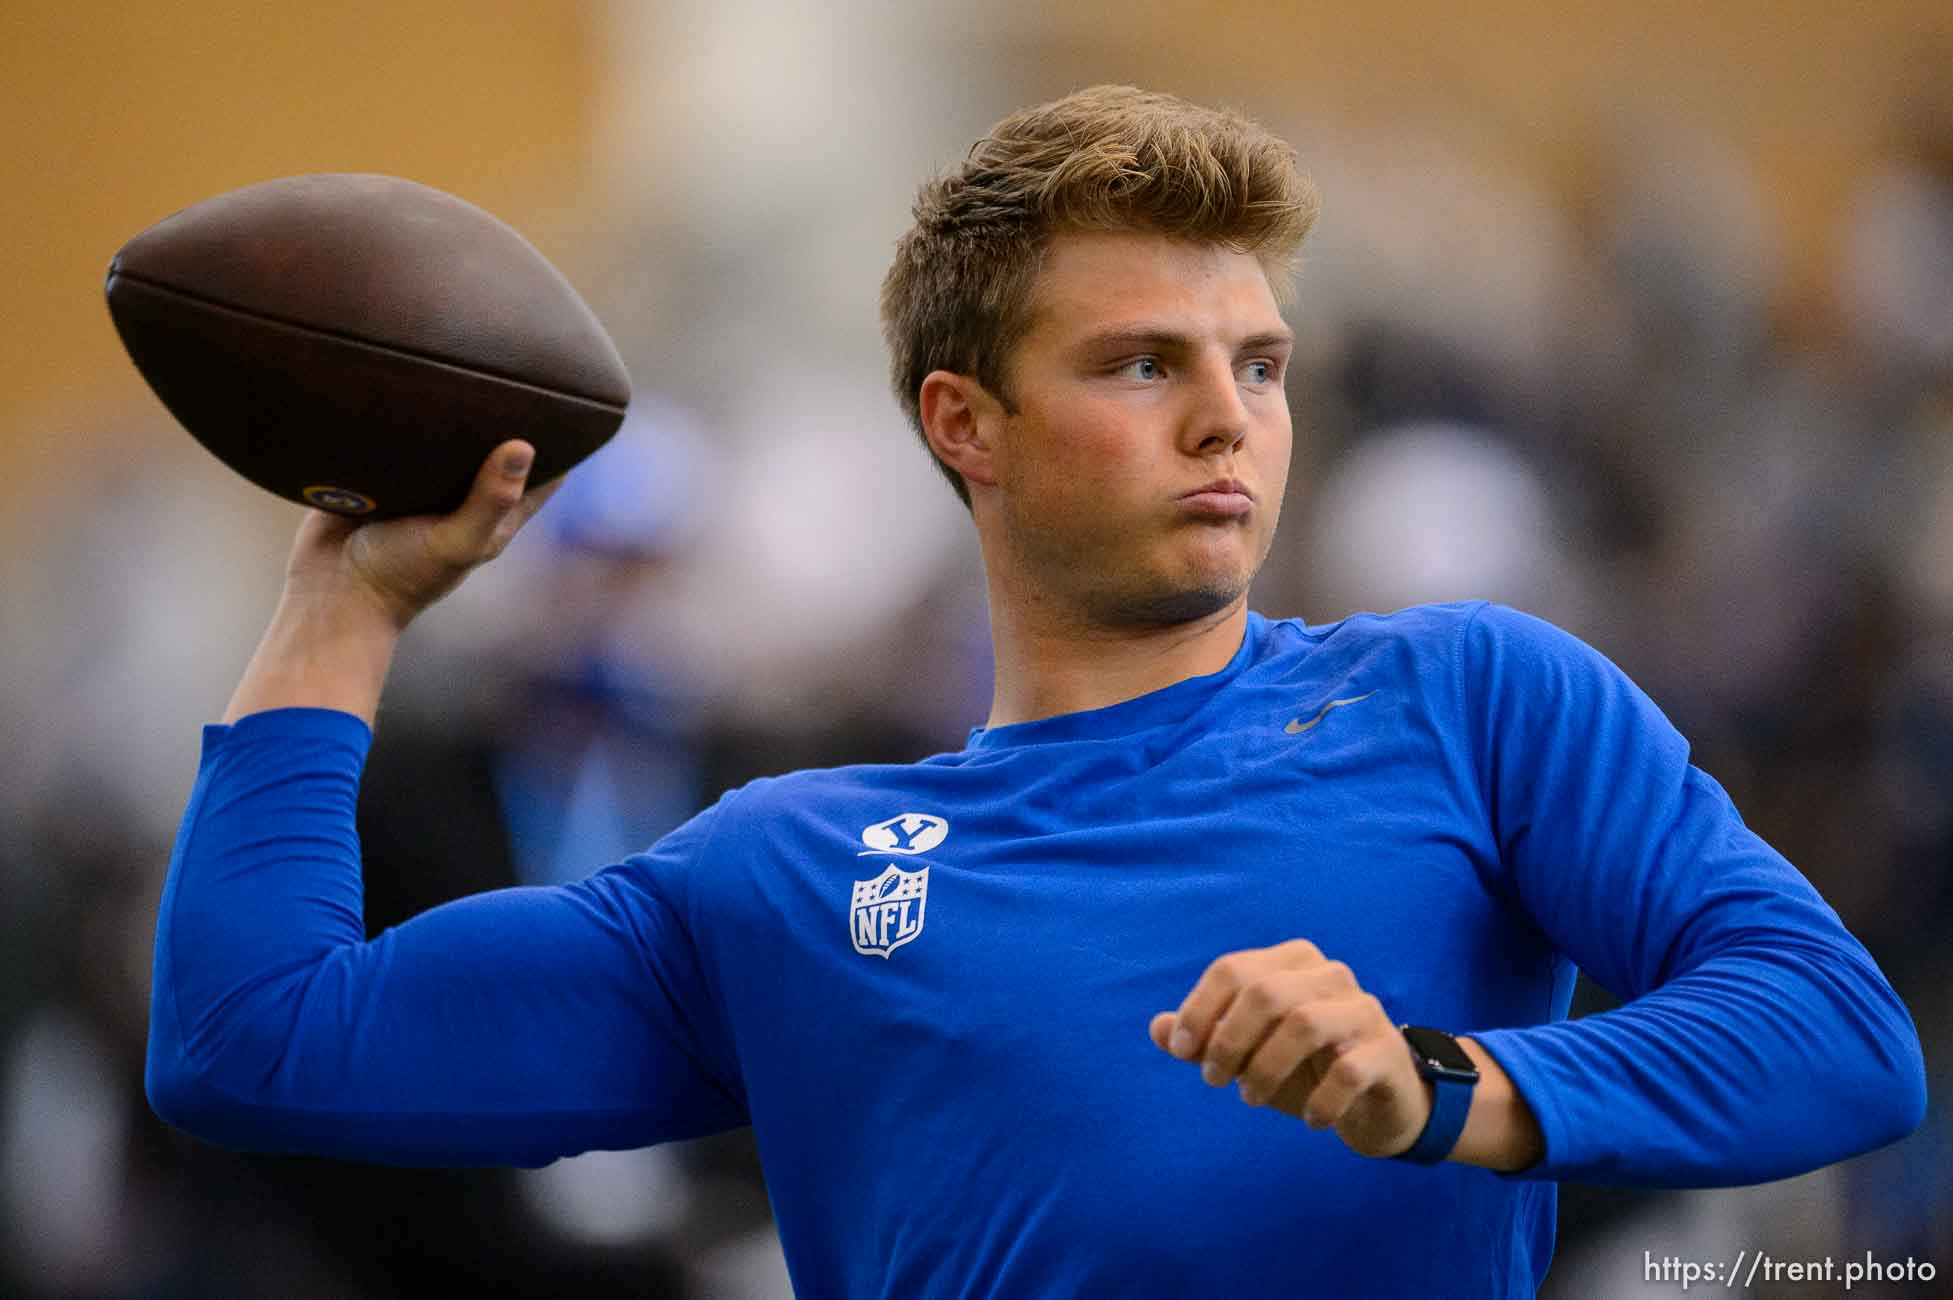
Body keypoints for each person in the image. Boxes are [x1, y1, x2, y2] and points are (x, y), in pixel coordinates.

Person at [145, 86, 1926, 1298]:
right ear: (961, 426)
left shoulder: (1473, 699)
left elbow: (1838, 1040)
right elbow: (251, 1043)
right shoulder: (782, 872)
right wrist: (351, 602)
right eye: (1142, 362)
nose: (1228, 416)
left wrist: (1444, 1085)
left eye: (1259, 362)